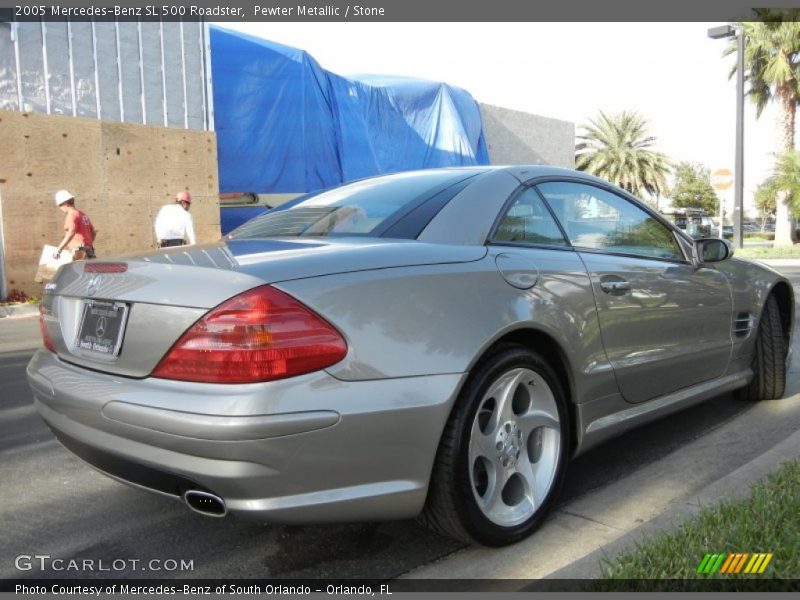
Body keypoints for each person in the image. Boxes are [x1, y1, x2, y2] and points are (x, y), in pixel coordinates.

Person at [53, 190, 96, 260]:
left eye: (60, 205)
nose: (60, 208)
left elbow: (71, 232)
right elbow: (93, 233)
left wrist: (59, 250)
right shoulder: (83, 215)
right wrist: (88, 245)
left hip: (79, 251)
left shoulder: (71, 215)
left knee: (75, 267)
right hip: (89, 251)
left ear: (65, 203)